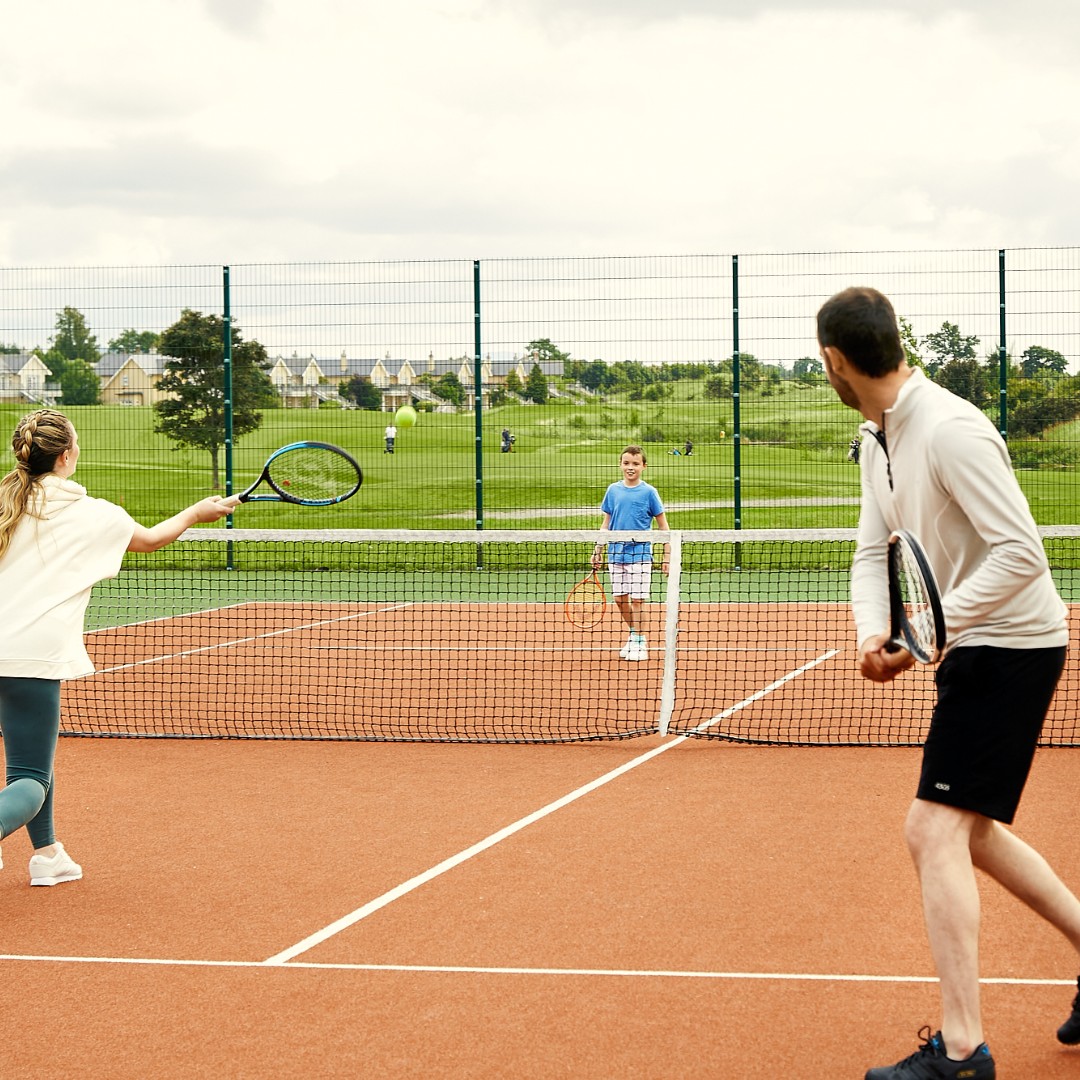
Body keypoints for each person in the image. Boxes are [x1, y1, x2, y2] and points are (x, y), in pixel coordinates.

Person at [816, 287, 1080, 1079]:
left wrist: (927, 629)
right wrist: (875, 630)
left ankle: (963, 1052)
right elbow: (873, 551)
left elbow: (1022, 554)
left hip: (1016, 645)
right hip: (972, 646)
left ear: (835, 361)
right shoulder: (877, 439)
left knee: (932, 830)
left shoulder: (951, 428)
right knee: (972, 831)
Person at [0, 409, 239, 886]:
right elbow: (150, 541)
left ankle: (48, 855)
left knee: (34, 764)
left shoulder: (5, 501)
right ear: (67, 456)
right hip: (30, 656)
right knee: (30, 778)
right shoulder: (96, 515)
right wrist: (197, 513)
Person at [590, 445, 669, 662]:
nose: (630, 467)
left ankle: (640, 642)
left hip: (640, 554)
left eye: (635, 463)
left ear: (644, 466)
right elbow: (606, 524)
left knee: (638, 600)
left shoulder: (649, 492)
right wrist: (597, 550)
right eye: (626, 463)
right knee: (619, 598)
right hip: (616, 554)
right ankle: (634, 634)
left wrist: (667, 556)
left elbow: (663, 527)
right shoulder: (613, 490)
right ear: (620, 465)